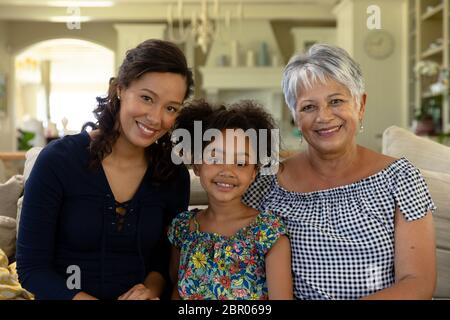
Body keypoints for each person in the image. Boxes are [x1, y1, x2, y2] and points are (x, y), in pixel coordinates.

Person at [243, 44, 437, 300]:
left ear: (360, 104)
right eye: (308, 107)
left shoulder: (400, 178)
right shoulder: (266, 183)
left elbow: (418, 283)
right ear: (295, 117)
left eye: (336, 101)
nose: (324, 117)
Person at [16, 39, 194, 300]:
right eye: (146, 98)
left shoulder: (172, 174)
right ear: (120, 89)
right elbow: (32, 269)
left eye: (170, 108)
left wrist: (149, 291)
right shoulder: (57, 161)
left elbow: (162, 263)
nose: (156, 118)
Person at [168, 100, 293, 300]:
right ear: (197, 165)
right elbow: (176, 289)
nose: (227, 171)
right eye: (215, 159)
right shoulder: (182, 227)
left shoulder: (268, 232)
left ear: (254, 172)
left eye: (241, 162)